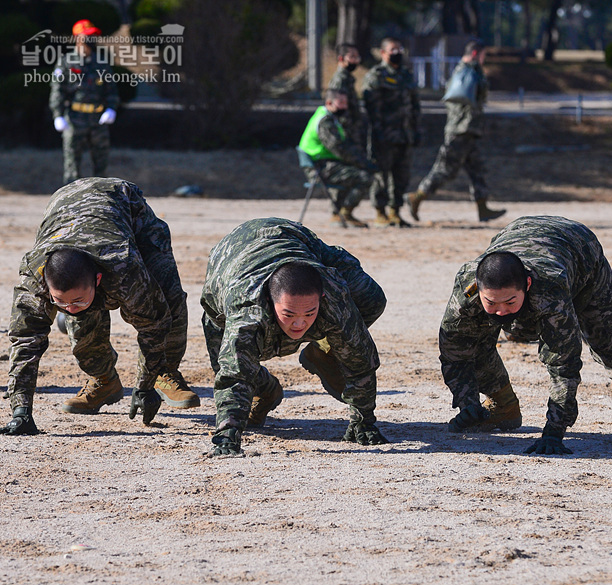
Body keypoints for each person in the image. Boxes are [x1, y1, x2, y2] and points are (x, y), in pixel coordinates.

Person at [1, 178, 199, 436]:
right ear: (46, 286)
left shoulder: (124, 268)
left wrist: (144, 386)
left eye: (77, 299)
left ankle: (166, 373)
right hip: (66, 206)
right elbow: (25, 340)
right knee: (82, 315)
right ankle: (104, 380)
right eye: (60, 301)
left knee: (167, 299)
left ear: (98, 279)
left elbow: (154, 323)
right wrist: (21, 410)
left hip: (127, 208)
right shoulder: (33, 280)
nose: (68, 308)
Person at [439, 216, 612, 455]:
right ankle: (502, 403)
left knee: (606, 341)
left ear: (527, 285)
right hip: (520, 233)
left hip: (582, 256)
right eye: (491, 302)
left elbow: (563, 365)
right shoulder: (468, 289)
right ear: (478, 286)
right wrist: (468, 403)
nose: (500, 310)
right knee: (473, 339)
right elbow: (454, 349)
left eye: (509, 302)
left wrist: (554, 431)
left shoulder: (550, 291)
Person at [200, 218, 390, 457]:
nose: (300, 324)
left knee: (371, 299)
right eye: (289, 314)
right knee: (229, 361)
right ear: (270, 302)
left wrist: (364, 422)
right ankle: (267, 388)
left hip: (295, 238)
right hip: (231, 257)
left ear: (321, 297)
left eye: (310, 313)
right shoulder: (247, 309)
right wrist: (228, 436)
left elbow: (361, 359)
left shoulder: (334, 295)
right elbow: (234, 375)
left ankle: (324, 351)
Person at [406, 40, 505, 223]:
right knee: (445, 170)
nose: (484, 60)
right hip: (460, 131)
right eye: (483, 55)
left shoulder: (467, 71)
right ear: (476, 54)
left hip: (468, 130)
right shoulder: (467, 71)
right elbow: (465, 101)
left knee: (477, 169)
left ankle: (483, 208)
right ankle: (417, 196)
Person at [49, 20, 119, 185]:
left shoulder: (101, 62)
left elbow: (111, 91)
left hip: (97, 120)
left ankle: (101, 203)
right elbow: (57, 90)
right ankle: (70, 205)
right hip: (75, 119)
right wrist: (57, 115)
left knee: (101, 168)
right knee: (72, 168)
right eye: (87, 36)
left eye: (93, 36)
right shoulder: (66, 62)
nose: (90, 40)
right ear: (78, 38)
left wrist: (111, 109)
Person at [362, 37, 421, 227]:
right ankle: (380, 212)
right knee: (381, 175)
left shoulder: (406, 75)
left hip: (405, 135)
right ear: (383, 53)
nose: (397, 53)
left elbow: (415, 105)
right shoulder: (376, 75)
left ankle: (395, 211)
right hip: (383, 135)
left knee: (401, 175)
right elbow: (371, 107)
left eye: (399, 49)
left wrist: (416, 129)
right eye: (392, 50)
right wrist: (378, 132)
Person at [298, 89, 376, 228]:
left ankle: (338, 214)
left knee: (350, 173)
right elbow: (339, 149)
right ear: (329, 102)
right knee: (364, 177)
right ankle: (344, 213)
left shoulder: (328, 118)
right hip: (318, 168)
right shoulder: (325, 121)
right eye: (341, 102)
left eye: (345, 102)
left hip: (325, 164)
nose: (345, 106)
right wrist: (364, 163)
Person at [327, 43, 365, 146]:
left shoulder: (348, 79)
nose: (356, 60)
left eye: (357, 57)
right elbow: (337, 108)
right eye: (352, 57)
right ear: (341, 58)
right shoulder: (340, 80)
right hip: (346, 131)